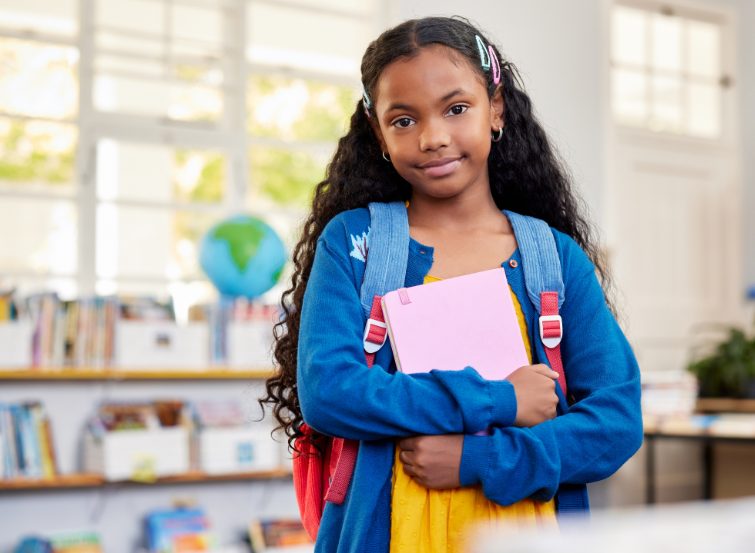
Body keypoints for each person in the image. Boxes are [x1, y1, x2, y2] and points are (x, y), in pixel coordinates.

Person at [260, 16, 642, 553]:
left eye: (456, 108)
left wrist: (477, 460)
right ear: (379, 133)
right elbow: (330, 393)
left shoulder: (553, 259)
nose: (433, 137)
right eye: (403, 120)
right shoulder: (355, 243)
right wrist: (500, 400)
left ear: (497, 110)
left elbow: (616, 421)